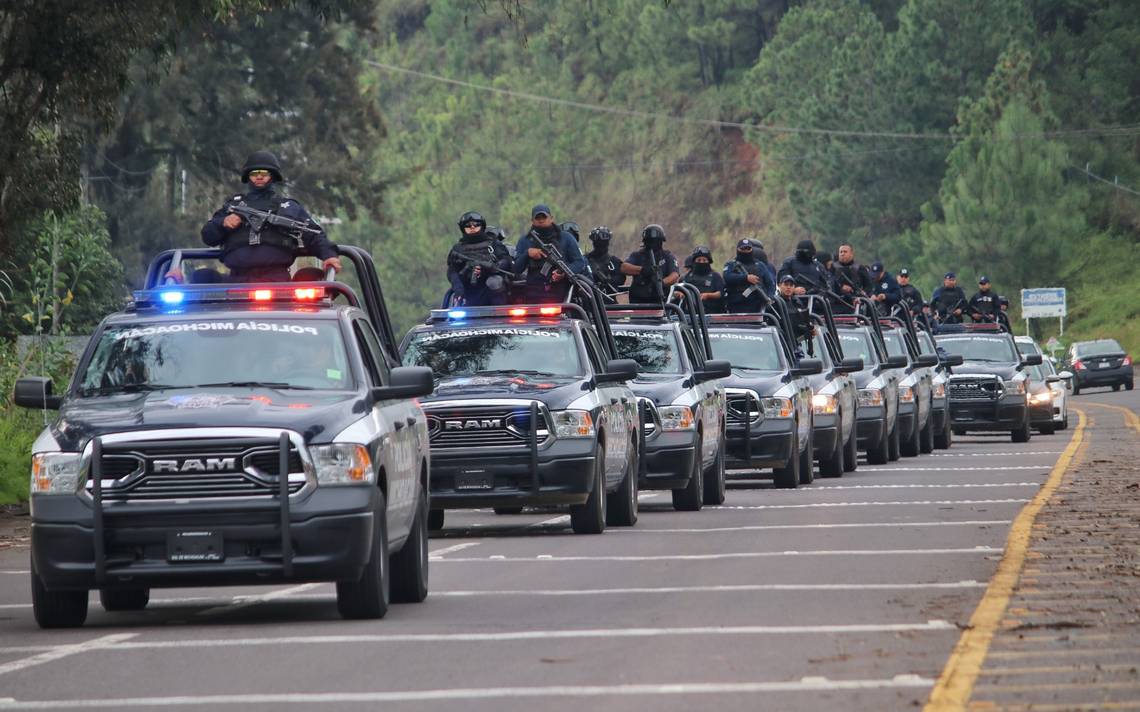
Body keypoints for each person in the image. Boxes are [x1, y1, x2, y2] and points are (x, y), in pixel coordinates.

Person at [201, 150, 341, 282]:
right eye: (255, 173)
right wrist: (223, 223)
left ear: (273, 176)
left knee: (311, 279)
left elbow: (314, 234)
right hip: (237, 280)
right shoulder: (232, 206)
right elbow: (208, 236)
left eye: (264, 173)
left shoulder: (287, 207)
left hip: (277, 280)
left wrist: (329, 255)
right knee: (201, 277)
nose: (260, 177)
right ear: (248, 176)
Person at [513, 204, 587, 304]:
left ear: (551, 219)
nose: (541, 220)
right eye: (537, 218)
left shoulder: (566, 238)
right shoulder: (525, 240)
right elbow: (516, 269)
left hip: (560, 292)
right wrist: (527, 253)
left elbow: (579, 262)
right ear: (532, 221)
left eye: (544, 217)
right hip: (534, 292)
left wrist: (563, 273)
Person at [446, 211, 513, 307]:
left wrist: (491, 268)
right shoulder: (458, 249)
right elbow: (452, 271)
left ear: (482, 226)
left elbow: (506, 260)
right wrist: (458, 287)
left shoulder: (492, 243)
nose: (472, 227)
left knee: (494, 281)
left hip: (493, 292)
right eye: (468, 225)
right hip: (469, 292)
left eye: (476, 224)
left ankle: (499, 312)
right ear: (463, 228)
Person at [622, 224, 679, 303]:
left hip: (660, 301)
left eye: (656, 241)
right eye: (650, 241)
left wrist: (660, 283)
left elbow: (674, 275)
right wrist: (643, 270)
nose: (653, 244)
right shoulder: (637, 255)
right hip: (638, 302)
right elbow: (624, 267)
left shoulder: (667, 256)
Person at [723, 238, 773, 313]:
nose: (745, 251)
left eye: (748, 248)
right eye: (743, 248)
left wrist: (769, 297)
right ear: (738, 250)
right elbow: (727, 277)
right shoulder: (731, 264)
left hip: (757, 306)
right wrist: (746, 278)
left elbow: (770, 283)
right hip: (736, 305)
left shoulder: (760, 265)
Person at [681, 246, 725, 313]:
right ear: (694, 261)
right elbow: (676, 291)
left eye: (704, 260)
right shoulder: (687, 276)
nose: (701, 262)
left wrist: (708, 295)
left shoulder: (715, 276)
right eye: (698, 260)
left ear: (709, 261)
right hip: (691, 314)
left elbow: (720, 293)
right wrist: (681, 294)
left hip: (712, 313)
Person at [776, 274, 814, 352]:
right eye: (786, 284)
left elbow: (805, 323)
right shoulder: (775, 303)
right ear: (779, 285)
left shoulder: (797, 303)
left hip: (796, 345)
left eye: (791, 285)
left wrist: (809, 329)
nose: (788, 287)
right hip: (781, 345)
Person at [831, 243, 874, 312]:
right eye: (840, 252)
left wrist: (863, 294)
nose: (842, 254)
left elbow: (869, 286)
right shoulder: (832, 268)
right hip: (837, 304)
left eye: (845, 252)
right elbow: (829, 283)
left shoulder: (860, 268)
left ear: (851, 254)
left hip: (855, 303)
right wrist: (841, 287)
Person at [585, 226, 626, 294]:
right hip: (590, 299)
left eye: (604, 243)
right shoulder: (585, 260)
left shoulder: (614, 261)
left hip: (609, 299)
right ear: (594, 243)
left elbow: (621, 279)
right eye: (598, 243)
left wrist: (609, 281)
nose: (601, 246)